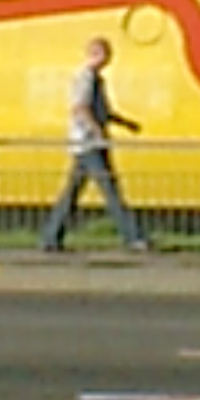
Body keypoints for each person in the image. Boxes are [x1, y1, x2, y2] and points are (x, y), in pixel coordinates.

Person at [39, 36, 149, 253]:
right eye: (106, 55)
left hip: (86, 144)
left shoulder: (96, 80)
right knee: (110, 190)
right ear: (96, 54)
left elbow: (102, 111)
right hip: (89, 144)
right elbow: (80, 107)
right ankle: (133, 236)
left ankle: (50, 236)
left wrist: (125, 123)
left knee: (71, 193)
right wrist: (96, 131)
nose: (109, 60)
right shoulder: (85, 78)